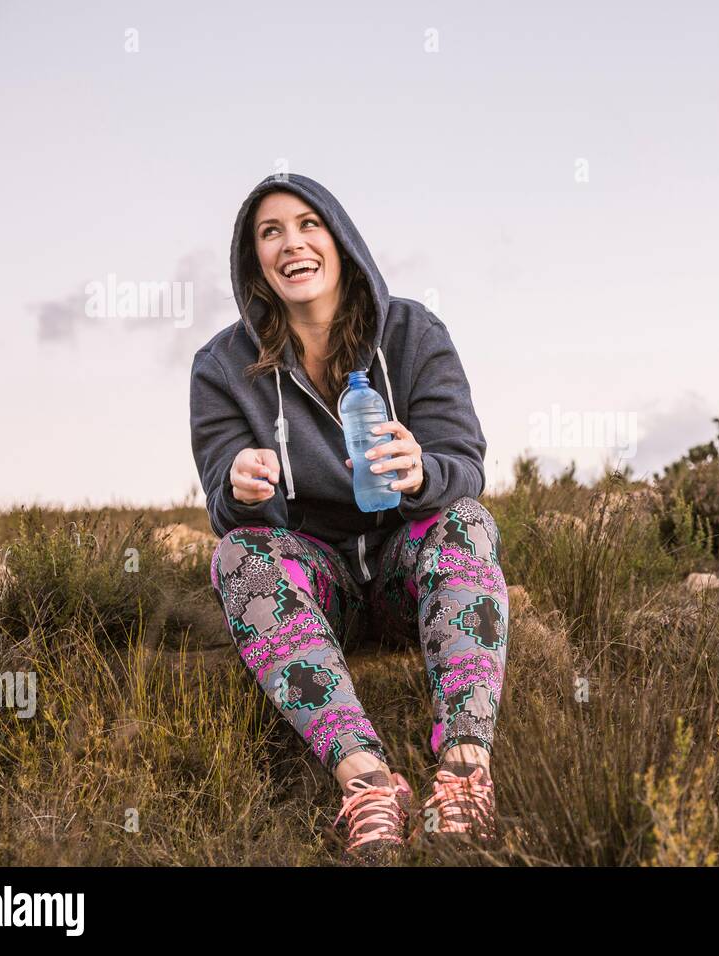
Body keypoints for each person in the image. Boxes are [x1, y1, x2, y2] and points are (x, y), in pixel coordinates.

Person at [189, 173, 509, 863]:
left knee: (468, 522)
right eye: (269, 233)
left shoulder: (413, 333)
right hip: (318, 582)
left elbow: (466, 464)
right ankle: (368, 784)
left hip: (404, 570)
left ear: (339, 238)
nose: (291, 243)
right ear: (254, 262)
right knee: (238, 556)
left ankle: (462, 776)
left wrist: (424, 472)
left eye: (308, 224)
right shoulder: (222, 366)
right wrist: (242, 490)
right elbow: (225, 506)